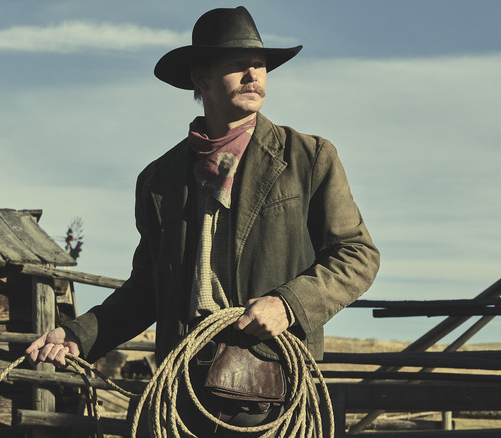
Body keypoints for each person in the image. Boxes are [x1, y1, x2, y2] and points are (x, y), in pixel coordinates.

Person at [26, 5, 379, 435]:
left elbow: (357, 255)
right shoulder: (159, 180)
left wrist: (290, 303)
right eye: (238, 65)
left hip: (269, 388)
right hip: (185, 388)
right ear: (200, 78)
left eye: (260, 65)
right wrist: (79, 335)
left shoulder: (307, 159)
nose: (254, 76)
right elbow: (147, 290)